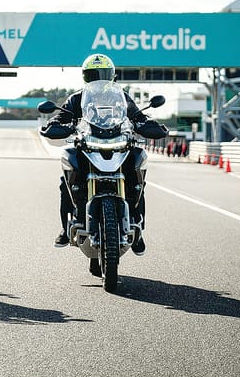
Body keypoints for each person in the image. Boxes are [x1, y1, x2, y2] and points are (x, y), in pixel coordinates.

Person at [41, 53, 162, 255]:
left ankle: (138, 229)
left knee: (137, 174)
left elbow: (138, 116)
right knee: (66, 177)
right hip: (88, 145)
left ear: (112, 75)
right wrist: (56, 124)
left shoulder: (122, 98)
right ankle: (65, 228)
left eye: (103, 74)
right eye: (93, 74)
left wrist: (148, 124)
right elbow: (62, 117)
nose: (98, 78)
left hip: (118, 143)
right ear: (85, 77)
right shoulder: (77, 99)